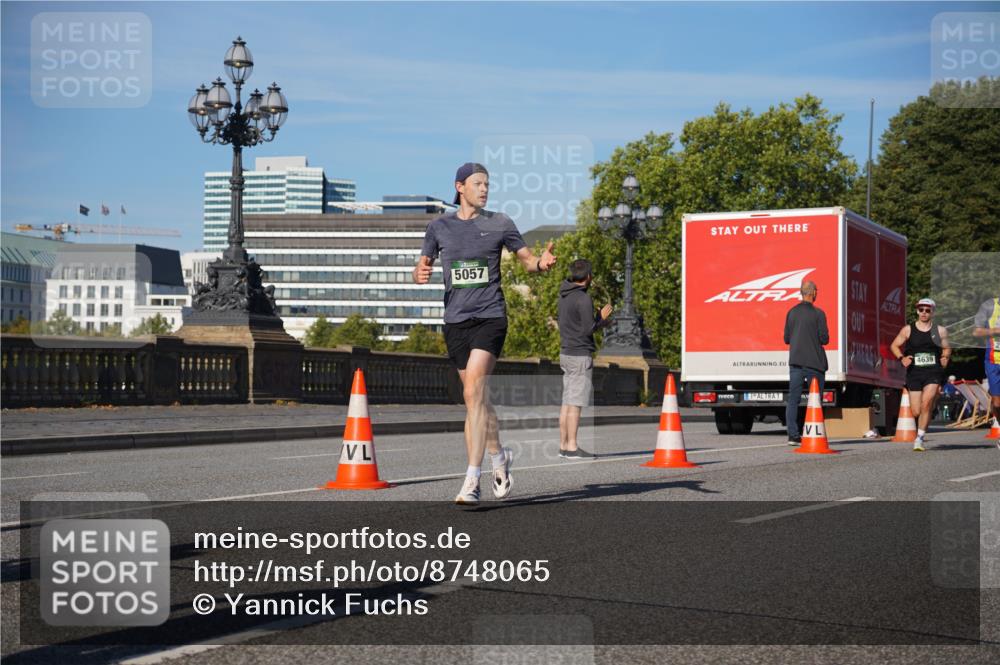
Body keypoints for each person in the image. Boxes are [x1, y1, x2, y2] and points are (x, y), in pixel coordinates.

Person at [413, 162, 557, 505]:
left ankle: (471, 479)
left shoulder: (500, 223)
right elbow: (422, 266)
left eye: (487, 184)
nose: (484, 189)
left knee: (473, 391)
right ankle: (499, 458)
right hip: (455, 321)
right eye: (478, 183)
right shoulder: (439, 227)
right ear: (459, 187)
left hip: (490, 317)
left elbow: (526, 260)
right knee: (476, 399)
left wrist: (541, 263)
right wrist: (419, 273)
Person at [557, 259, 613, 459]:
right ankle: (572, 446)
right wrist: (602, 318)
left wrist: (595, 318)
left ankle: (563, 445)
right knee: (575, 403)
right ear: (588, 276)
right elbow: (588, 329)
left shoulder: (563, 295)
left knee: (567, 402)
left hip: (566, 352)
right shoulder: (583, 298)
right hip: (580, 354)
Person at [890, 297, 951, 451]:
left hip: (933, 371)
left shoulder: (940, 331)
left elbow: (947, 348)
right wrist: (902, 358)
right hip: (914, 372)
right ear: (917, 311)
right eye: (921, 310)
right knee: (917, 410)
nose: (924, 313)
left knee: (926, 404)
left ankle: (919, 438)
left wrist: (945, 357)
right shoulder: (908, 329)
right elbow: (894, 345)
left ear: (932, 312)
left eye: (927, 310)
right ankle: (930, 407)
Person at [783, 280, 829, 445]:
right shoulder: (819, 314)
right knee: (815, 400)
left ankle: (793, 435)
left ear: (802, 293)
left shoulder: (791, 312)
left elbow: (786, 339)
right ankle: (814, 433)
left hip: (795, 362)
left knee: (793, 399)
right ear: (813, 293)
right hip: (814, 363)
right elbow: (824, 339)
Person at [972, 295, 1000, 429]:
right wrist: (994, 330)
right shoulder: (989, 306)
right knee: (997, 404)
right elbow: (976, 332)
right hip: (993, 361)